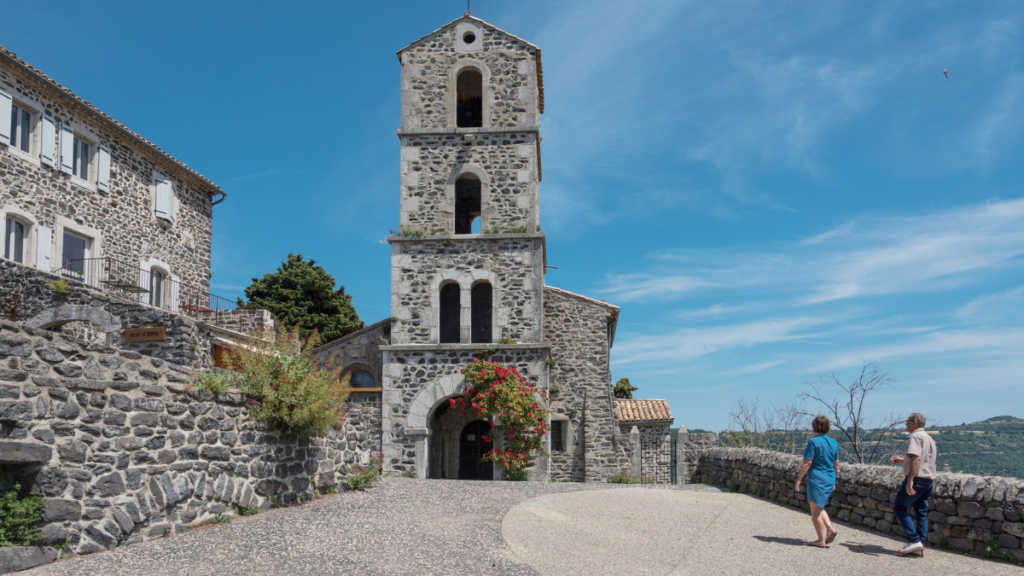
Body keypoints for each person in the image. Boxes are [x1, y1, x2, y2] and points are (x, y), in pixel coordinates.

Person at [890, 413, 938, 557]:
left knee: (899, 507)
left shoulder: (915, 437)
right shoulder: (929, 438)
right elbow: (919, 458)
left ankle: (914, 540)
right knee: (921, 512)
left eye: (907, 422)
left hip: (917, 480)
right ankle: (919, 546)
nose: (905, 425)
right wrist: (902, 461)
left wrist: (910, 480)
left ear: (915, 422)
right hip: (928, 481)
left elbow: (916, 458)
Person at [794, 415, 840, 547]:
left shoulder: (813, 442)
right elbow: (835, 464)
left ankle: (821, 540)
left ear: (814, 427)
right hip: (830, 477)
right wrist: (834, 481)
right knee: (819, 506)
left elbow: (807, 462)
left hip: (817, 478)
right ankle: (830, 528)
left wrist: (799, 478)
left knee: (815, 511)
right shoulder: (834, 443)